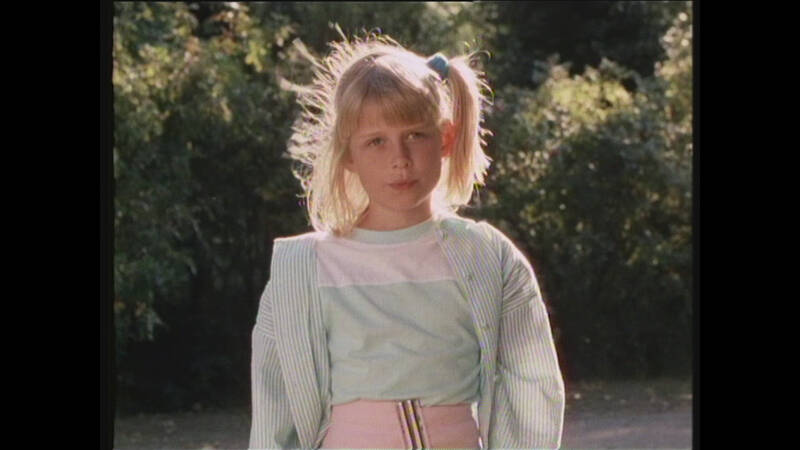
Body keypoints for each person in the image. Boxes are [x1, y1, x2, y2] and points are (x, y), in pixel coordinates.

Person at [249, 30, 565, 449]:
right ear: (348, 154)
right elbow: (275, 412)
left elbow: (532, 390)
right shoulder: (304, 269)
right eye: (376, 142)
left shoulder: (487, 257)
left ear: (446, 138)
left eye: (415, 135)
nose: (399, 159)